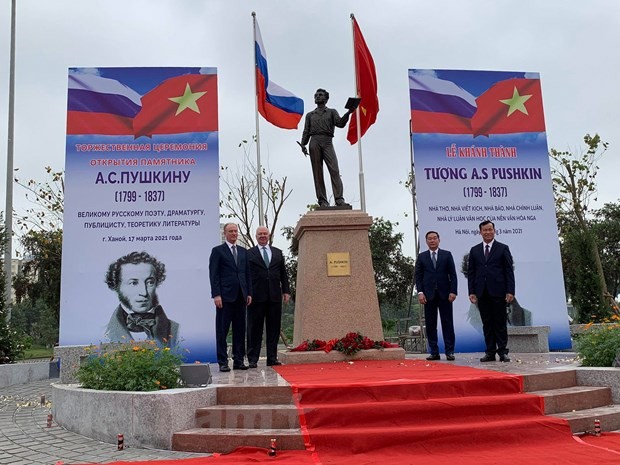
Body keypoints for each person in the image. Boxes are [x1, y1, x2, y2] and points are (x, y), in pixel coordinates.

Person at [104, 251, 179, 347]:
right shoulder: (103, 333)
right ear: (116, 286)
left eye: (150, 282)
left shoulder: (177, 330)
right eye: (133, 283)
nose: (144, 292)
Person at [467, 220, 515, 363]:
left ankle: (502, 352)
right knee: (487, 323)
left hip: (499, 291)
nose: (488, 232)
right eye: (485, 230)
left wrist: (510, 290)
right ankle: (489, 352)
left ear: (494, 231)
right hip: (482, 292)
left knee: (500, 322)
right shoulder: (474, 250)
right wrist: (472, 291)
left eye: (490, 229)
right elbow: (471, 273)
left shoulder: (503, 248)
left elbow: (508, 271)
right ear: (480, 232)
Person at [209, 223, 252, 372]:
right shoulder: (218, 251)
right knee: (222, 330)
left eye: (235, 231)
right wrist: (216, 295)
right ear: (225, 233)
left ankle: (238, 360)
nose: (234, 234)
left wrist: (249, 293)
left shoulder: (243, 252)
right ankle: (222, 361)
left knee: (240, 330)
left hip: (241, 297)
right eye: (231, 231)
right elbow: (214, 275)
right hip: (225, 298)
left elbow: (247, 274)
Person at [246, 226, 291, 368]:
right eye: (260, 234)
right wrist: (247, 293)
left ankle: (272, 358)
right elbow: (246, 275)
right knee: (254, 329)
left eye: (265, 233)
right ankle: (253, 359)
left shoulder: (277, 253)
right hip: (255, 297)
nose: (262, 236)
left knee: (273, 329)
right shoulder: (249, 253)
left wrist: (286, 291)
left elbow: (283, 274)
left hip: (274, 296)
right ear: (256, 236)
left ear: (269, 235)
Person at [300, 88, 353, 208]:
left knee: (334, 170)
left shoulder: (332, 112)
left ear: (326, 98)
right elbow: (306, 131)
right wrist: (303, 144)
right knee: (317, 173)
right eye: (316, 95)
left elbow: (340, 123)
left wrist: (348, 113)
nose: (318, 97)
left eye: (320, 95)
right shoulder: (310, 115)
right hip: (314, 142)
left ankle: (339, 199)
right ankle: (322, 201)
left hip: (327, 141)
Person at [415, 231, 457, 361]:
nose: (432, 241)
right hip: (428, 296)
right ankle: (434, 352)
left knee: (447, 323)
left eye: (434, 238)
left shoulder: (446, 255)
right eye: (429, 239)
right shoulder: (422, 257)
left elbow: (453, 275)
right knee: (431, 324)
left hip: (445, 295)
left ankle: (450, 351)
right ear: (426, 241)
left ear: (439, 240)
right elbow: (418, 276)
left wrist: (453, 291)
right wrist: (420, 292)